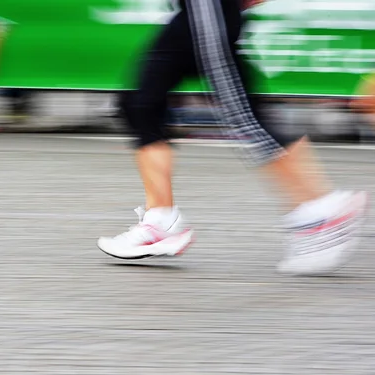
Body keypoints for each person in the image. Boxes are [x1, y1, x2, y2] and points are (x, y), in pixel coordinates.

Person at [97, 0, 368, 276]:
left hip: (208, 7)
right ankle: (160, 221)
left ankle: (319, 211)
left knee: (243, 115)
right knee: (142, 105)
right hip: (196, 10)